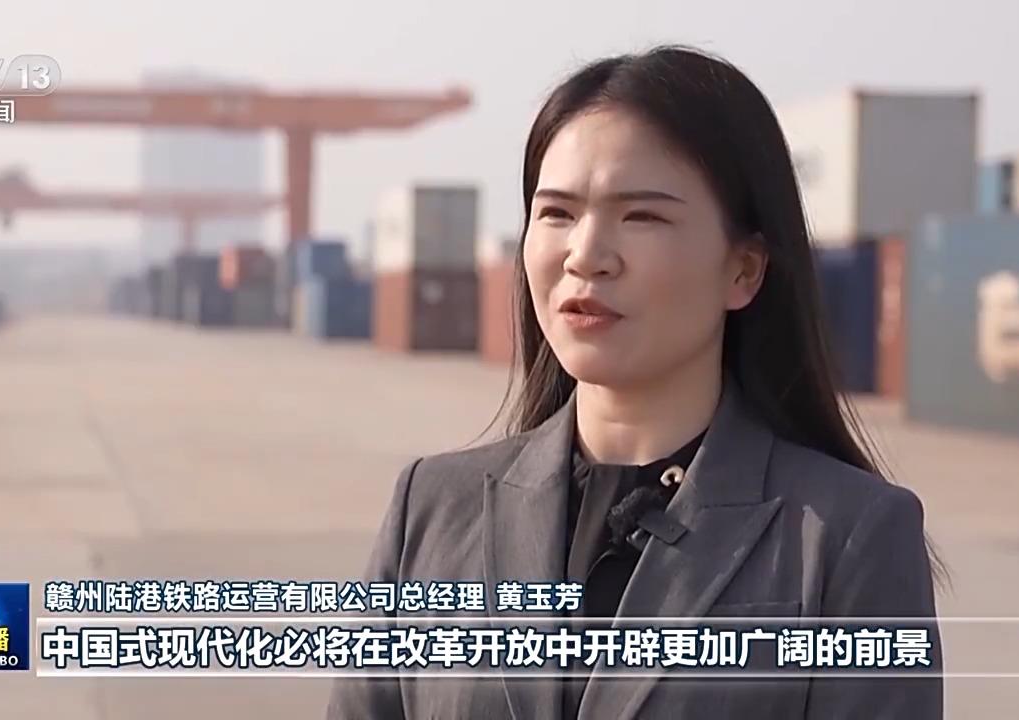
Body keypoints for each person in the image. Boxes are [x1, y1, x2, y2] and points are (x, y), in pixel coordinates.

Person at [327, 44, 943, 720]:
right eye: (556, 214)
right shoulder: (431, 508)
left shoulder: (847, 535)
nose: (586, 255)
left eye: (641, 216)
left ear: (744, 269)